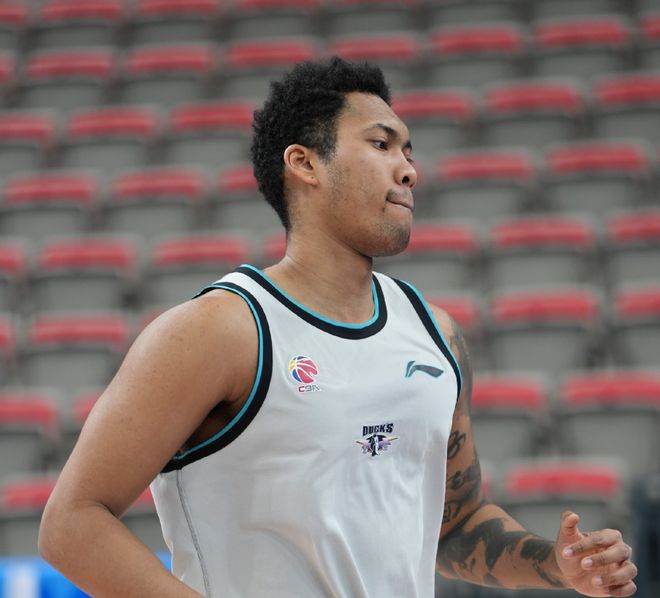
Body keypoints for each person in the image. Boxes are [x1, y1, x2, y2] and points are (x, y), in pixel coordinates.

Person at [39, 58, 638, 597]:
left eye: (408, 152)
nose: (408, 170)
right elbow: (72, 522)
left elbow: (454, 525)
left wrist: (558, 566)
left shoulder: (436, 333)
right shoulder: (219, 330)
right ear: (305, 163)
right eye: (381, 144)